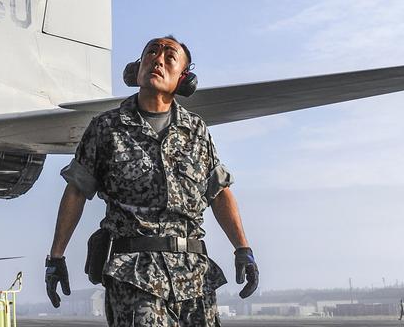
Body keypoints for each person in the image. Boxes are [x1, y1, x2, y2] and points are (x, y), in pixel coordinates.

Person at [45, 36, 258, 326]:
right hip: (135, 275)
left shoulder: (196, 131)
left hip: (194, 276)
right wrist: (56, 257)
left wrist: (243, 249)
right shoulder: (107, 128)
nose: (158, 59)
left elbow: (219, 192)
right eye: (151, 53)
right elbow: (76, 190)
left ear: (184, 78)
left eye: (169, 57)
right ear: (137, 68)